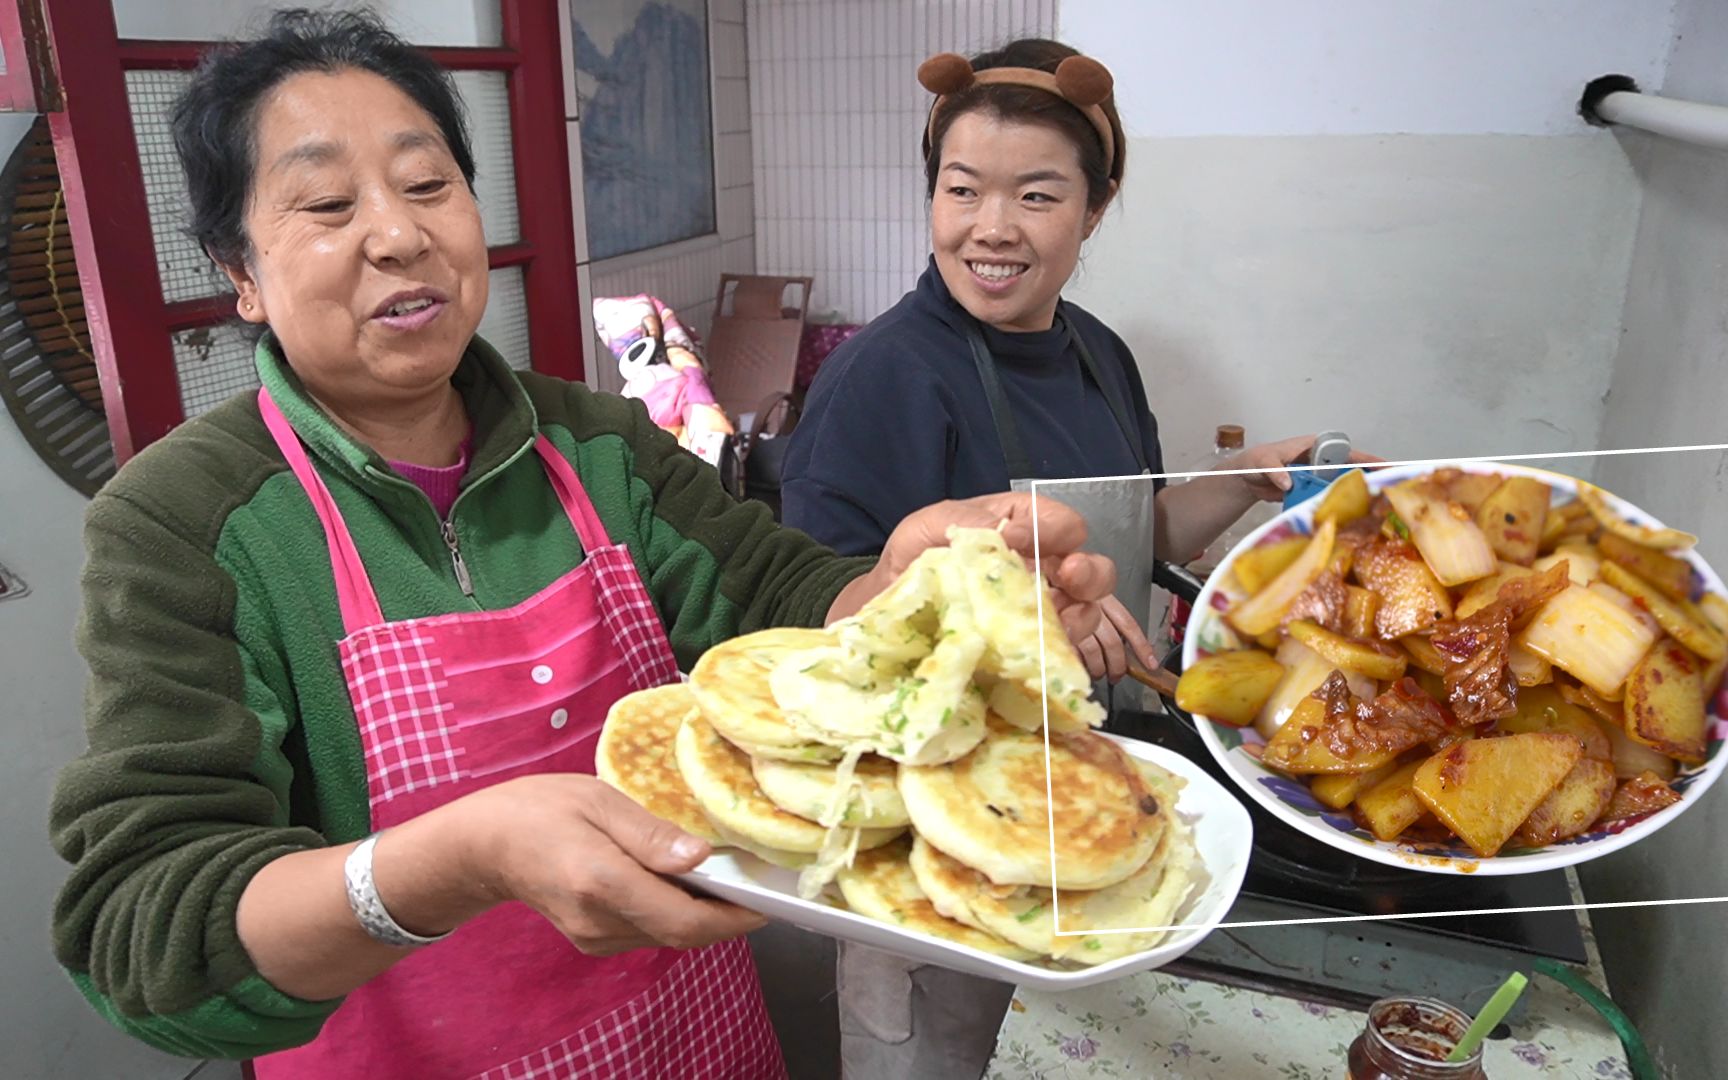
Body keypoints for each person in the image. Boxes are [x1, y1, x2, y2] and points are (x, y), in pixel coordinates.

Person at [44, 13, 1119, 1079]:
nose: (400, 235)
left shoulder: (595, 441)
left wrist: (898, 589)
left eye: (429, 187)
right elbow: (145, 937)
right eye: (328, 204)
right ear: (240, 270)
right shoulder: (185, 520)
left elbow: (771, 595)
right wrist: (449, 865)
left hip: (696, 1042)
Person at [779, 39, 1362, 1079]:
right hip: (934, 836)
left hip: (1088, 791)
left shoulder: (1098, 348)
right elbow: (822, 645)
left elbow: (1138, 547)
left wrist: (1246, 480)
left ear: (1095, 208)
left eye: (1036, 196)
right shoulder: (884, 376)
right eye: (962, 189)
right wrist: (1010, 622)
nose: (991, 229)